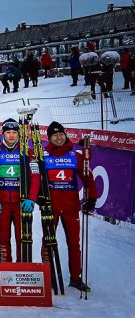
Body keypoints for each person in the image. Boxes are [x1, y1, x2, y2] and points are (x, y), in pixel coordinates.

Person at [41, 122, 97, 292]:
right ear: (49, 138)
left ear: (65, 135)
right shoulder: (44, 155)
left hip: (71, 207)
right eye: (54, 135)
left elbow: (88, 177)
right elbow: (36, 179)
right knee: (48, 243)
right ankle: (47, 276)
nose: (59, 138)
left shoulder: (75, 155)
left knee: (74, 243)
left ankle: (75, 278)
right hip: (51, 207)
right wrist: (39, 198)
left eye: (61, 135)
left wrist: (92, 197)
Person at [0, 119, 40, 262]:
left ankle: (21, 270)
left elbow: (35, 177)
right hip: (1, 204)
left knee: (22, 238)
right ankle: (5, 268)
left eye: (15, 132)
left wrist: (32, 198)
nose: (12, 136)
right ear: (3, 134)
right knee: (3, 238)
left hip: (21, 203)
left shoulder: (27, 152)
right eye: (8, 132)